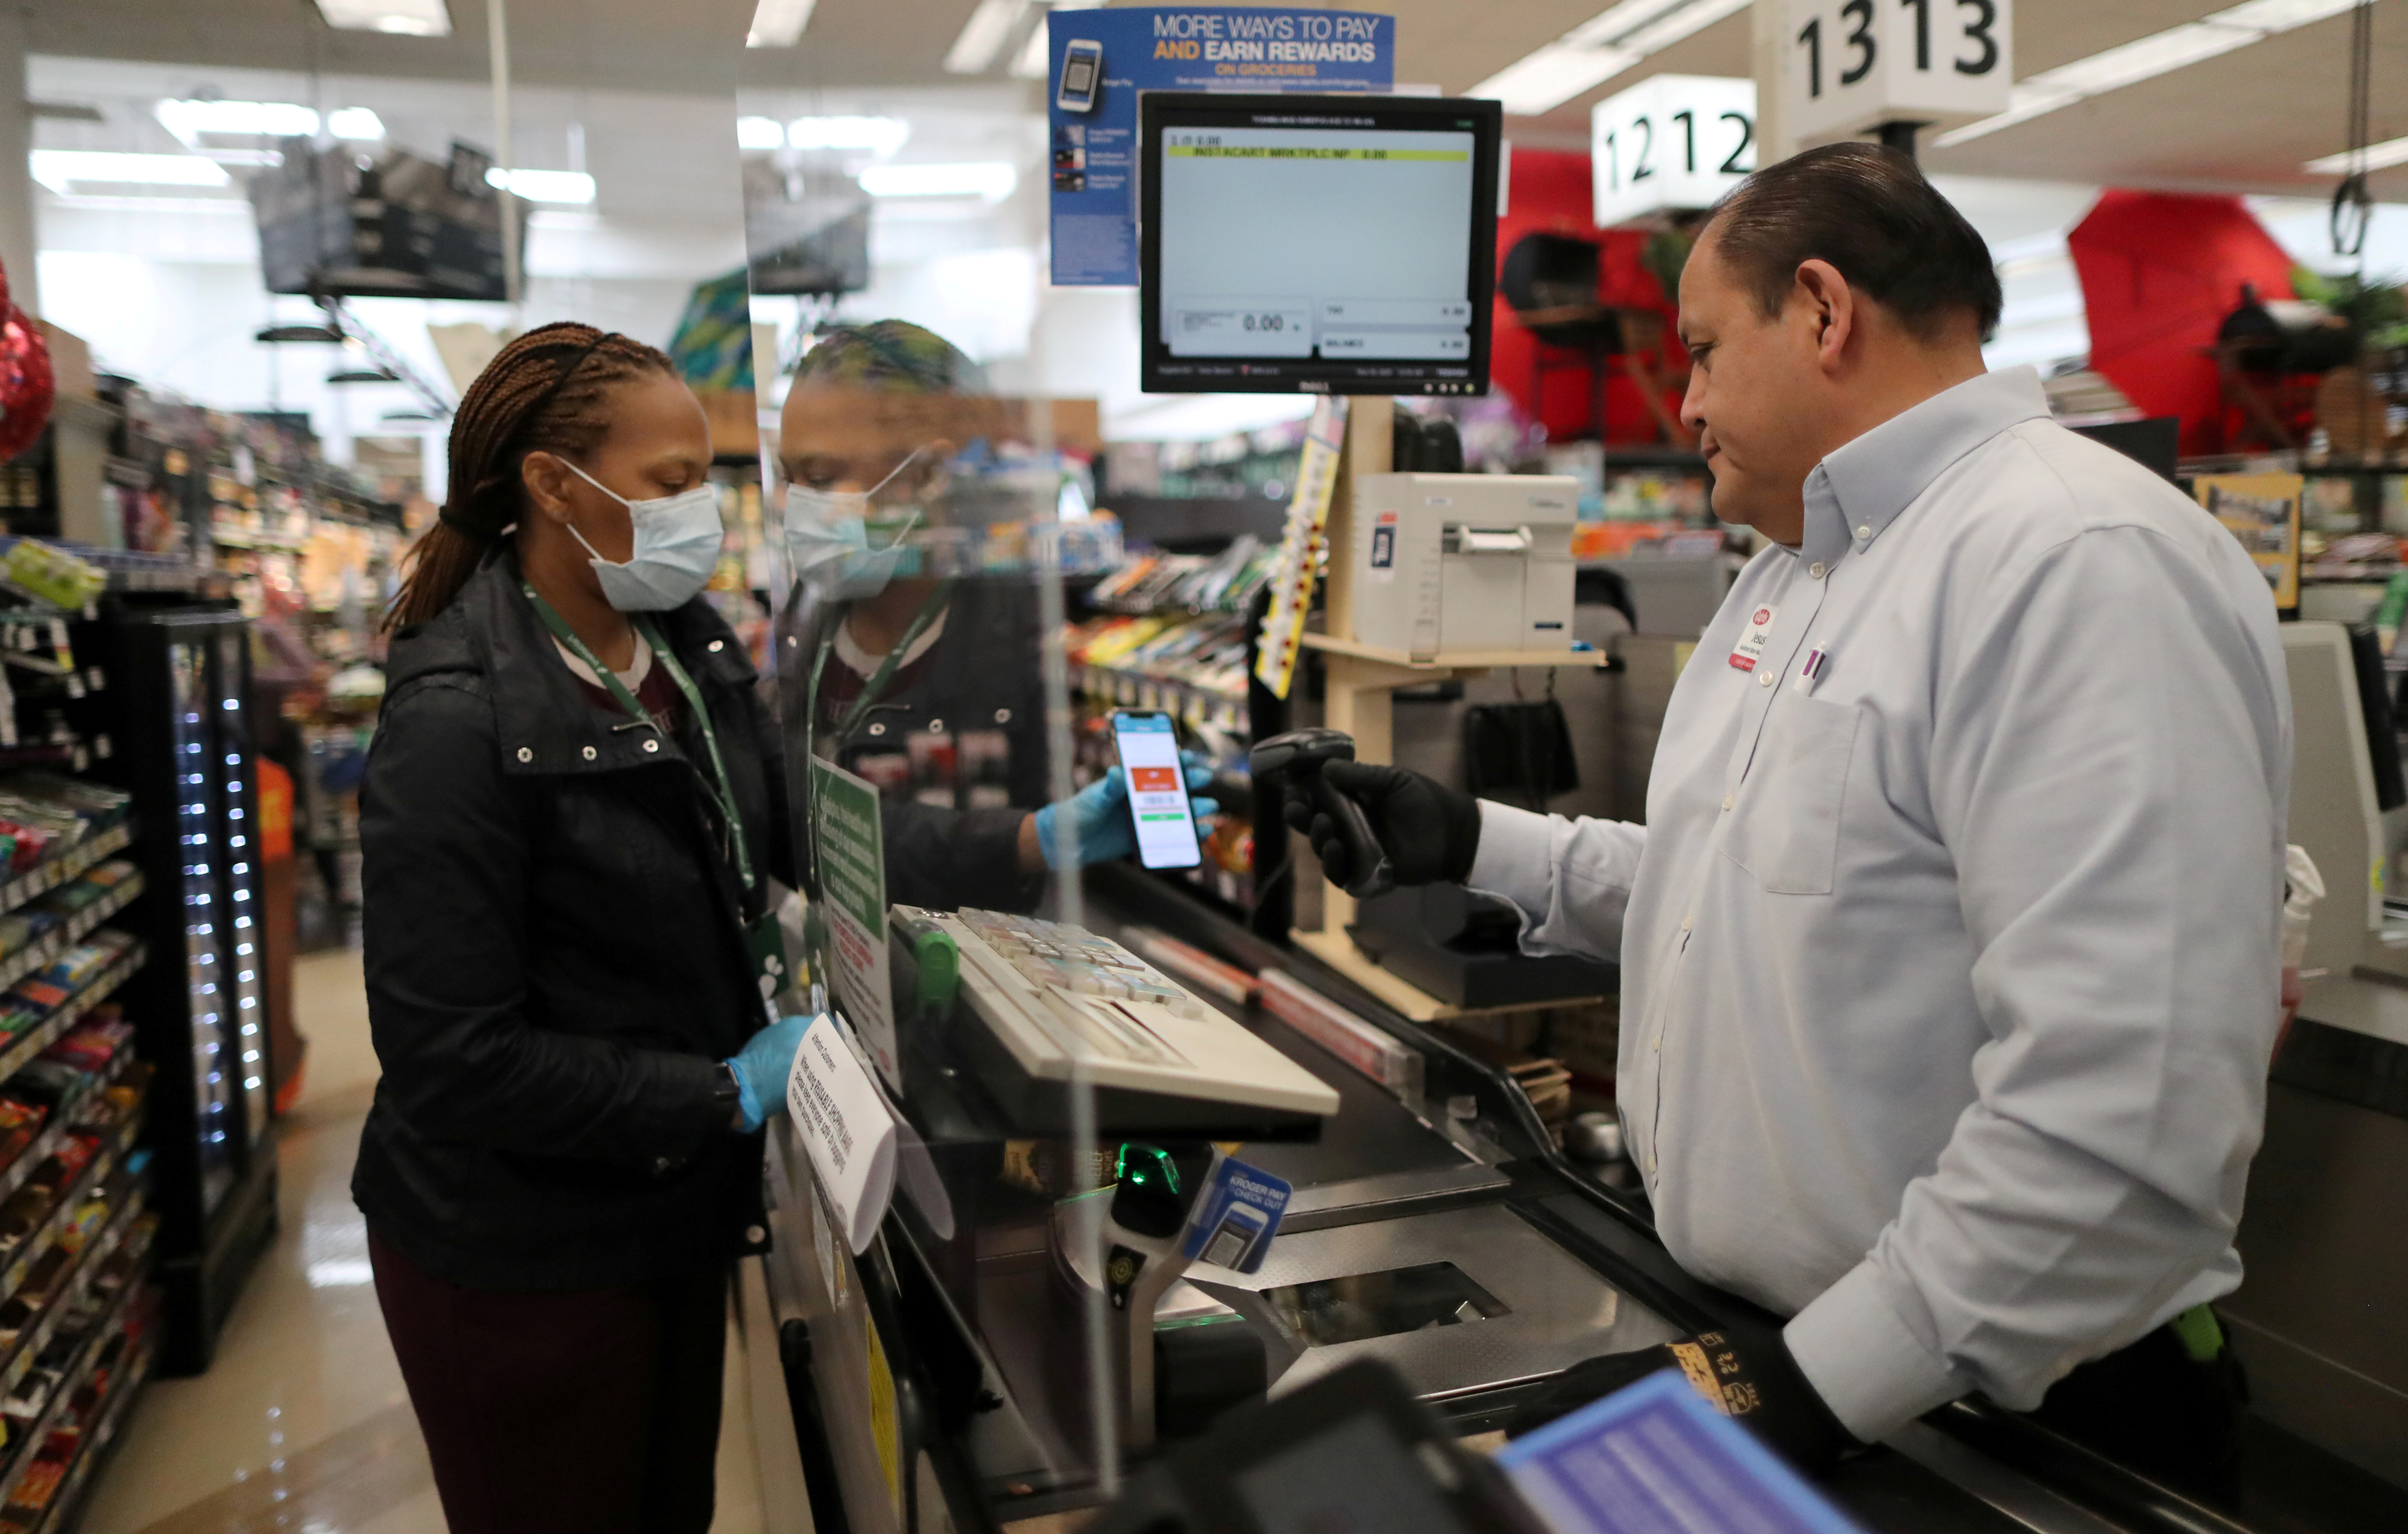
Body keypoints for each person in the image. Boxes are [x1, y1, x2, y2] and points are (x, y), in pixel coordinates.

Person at [1286, 146, 2288, 1498]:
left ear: (1821, 310)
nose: (1685, 402)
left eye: (1701, 350)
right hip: (1789, 1365)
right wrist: (1465, 839)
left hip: (1994, 1416)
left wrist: (1807, 1389)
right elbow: (1735, 899)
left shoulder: (2073, 561)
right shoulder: (1792, 572)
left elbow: (2124, 1112)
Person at [355, 323, 811, 1534]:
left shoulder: (685, 651)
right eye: (670, 485)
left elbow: (802, 832)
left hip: (666, 1210)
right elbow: (450, 1058)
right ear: (556, 485)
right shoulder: (455, 723)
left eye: (707, 480)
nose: (701, 513)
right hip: (517, 1250)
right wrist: (717, 1091)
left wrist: (1032, 840)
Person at [774, 319, 1211, 912]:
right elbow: (796, 831)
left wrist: (1042, 840)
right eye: (787, 478)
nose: (790, 506)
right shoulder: (806, 617)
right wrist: (1027, 840)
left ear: (928, 475)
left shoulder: (1021, 636)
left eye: (820, 478)